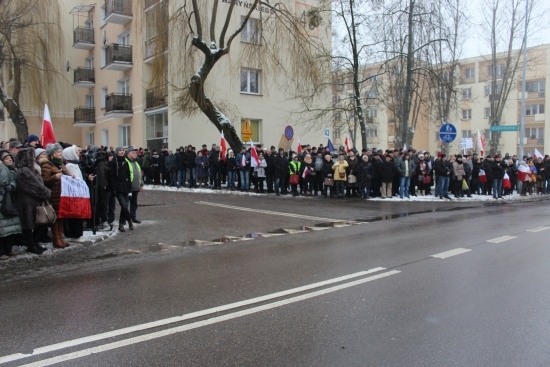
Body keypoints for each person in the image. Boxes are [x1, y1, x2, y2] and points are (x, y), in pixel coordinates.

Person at [15, 148, 52, 255]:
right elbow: (35, 186)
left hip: (34, 201)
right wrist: (47, 192)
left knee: (39, 223)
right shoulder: (24, 171)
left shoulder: (30, 170)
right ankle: (31, 245)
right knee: (30, 224)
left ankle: (35, 244)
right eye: (31, 157)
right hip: (27, 202)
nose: (33, 159)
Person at [41, 143, 72, 248]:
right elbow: (44, 181)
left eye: (60, 152)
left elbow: (66, 176)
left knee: (61, 216)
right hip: (54, 195)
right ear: (52, 154)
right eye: (58, 152)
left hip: (62, 195)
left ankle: (61, 237)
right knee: (55, 217)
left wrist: (70, 176)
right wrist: (55, 177)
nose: (60, 154)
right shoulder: (47, 165)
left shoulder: (61, 164)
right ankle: (56, 239)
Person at [0, 151, 23, 259]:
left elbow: (12, 179)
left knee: (11, 225)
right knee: (2, 227)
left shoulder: (5, 168)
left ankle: (8, 248)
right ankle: (1, 251)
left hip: (8, 199)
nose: (9, 159)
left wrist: (12, 186)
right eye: (6, 158)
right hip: (1, 199)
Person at [108, 147, 135, 232]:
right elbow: (111, 176)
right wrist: (114, 188)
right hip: (118, 187)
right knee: (123, 205)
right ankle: (130, 221)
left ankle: (121, 224)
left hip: (126, 187)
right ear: (116, 152)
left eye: (123, 151)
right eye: (120, 150)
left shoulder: (125, 161)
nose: (121, 152)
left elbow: (128, 175)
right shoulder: (114, 162)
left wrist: (130, 189)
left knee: (125, 206)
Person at [125, 147, 144, 224]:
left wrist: (141, 184)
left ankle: (133, 217)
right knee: (125, 204)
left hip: (136, 187)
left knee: (134, 204)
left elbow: (139, 175)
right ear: (128, 154)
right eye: (133, 153)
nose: (135, 154)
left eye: (135, 153)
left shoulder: (136, 163)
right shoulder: (126, 162)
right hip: (128, 187)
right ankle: (125, 218)